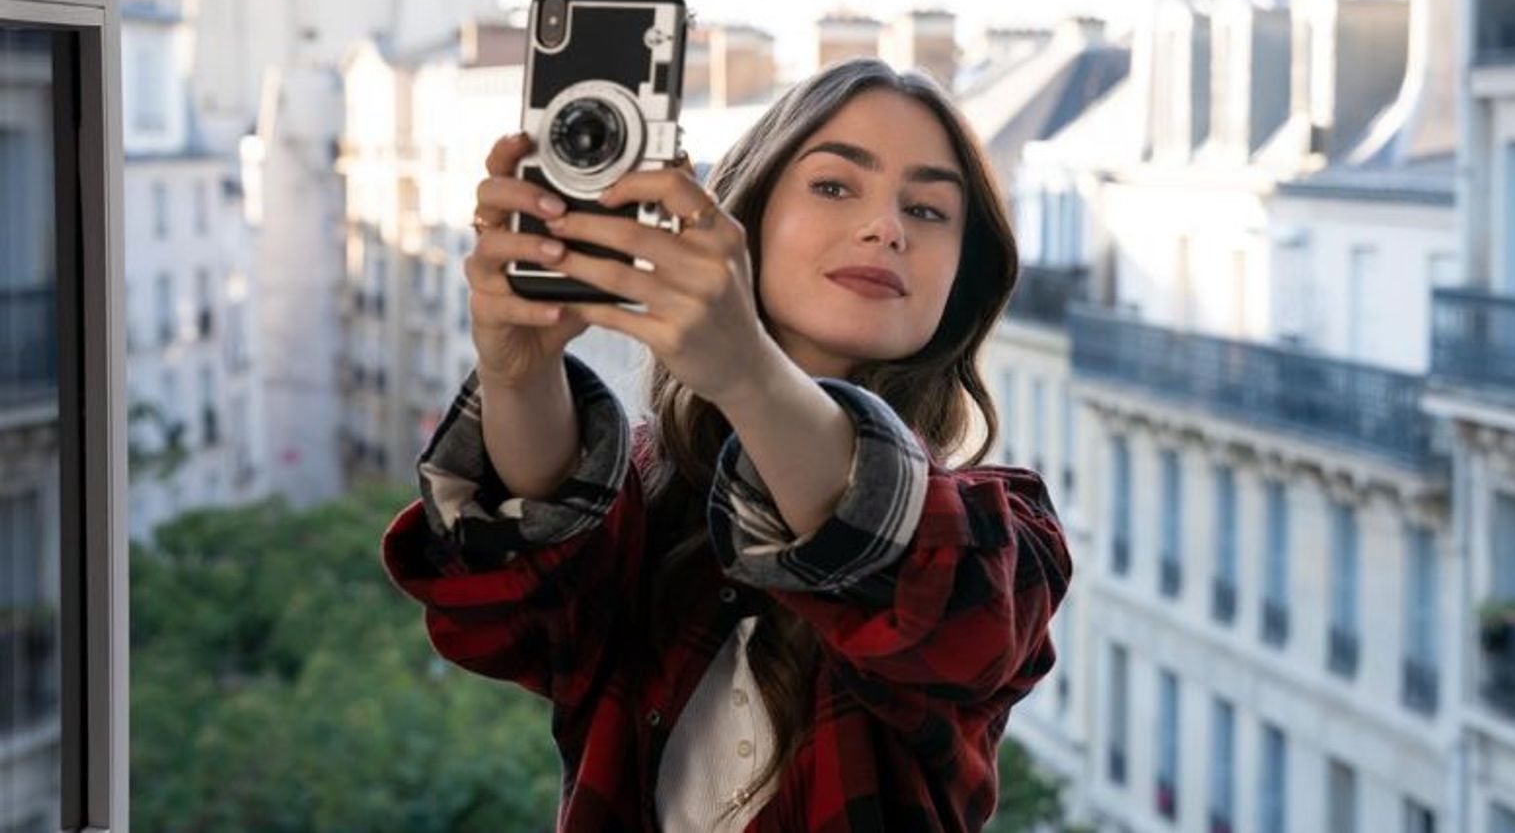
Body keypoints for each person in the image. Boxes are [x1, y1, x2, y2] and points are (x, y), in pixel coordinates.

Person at [380, 57, 1073, 832]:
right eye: (836, 186)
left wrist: (744, 366)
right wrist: (517, 373)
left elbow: (923, 576)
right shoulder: (645, 494)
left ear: (962, 281)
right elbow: (512, 593)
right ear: (746, 219)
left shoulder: (1002, 536)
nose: (887, 227)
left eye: (929, 210)